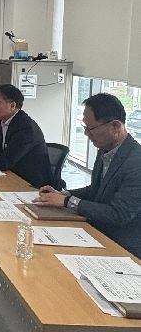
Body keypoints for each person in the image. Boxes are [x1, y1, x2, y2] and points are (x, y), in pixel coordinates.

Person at [35, 93, 141, 257]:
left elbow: (118, 214)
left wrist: (67, 202)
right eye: (84, 127)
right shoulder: (105, 150)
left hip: (122, 247)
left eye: (90, 128)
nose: (86, 134)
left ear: (115, 126)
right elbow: (95, 190)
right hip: (96, 231)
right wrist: (64, 194)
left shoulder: (136, 162)